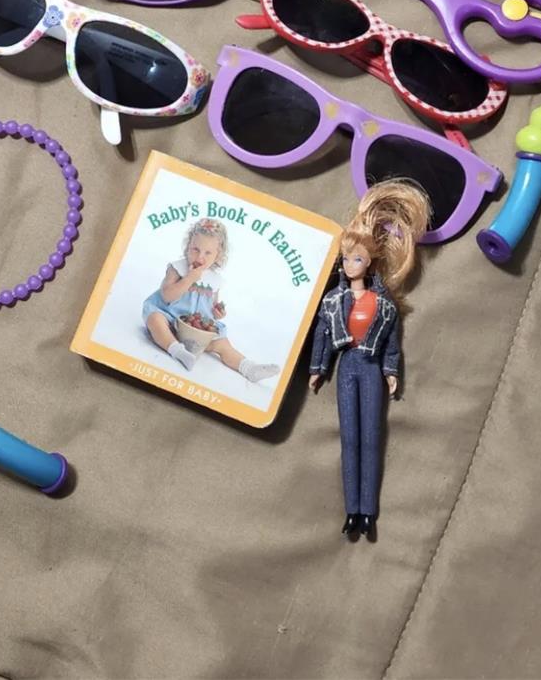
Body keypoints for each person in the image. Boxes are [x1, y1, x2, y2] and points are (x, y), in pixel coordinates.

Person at [309, 180, 430, 541]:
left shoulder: (384, 305)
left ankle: (368, 513)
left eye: (357, 259)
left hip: (371, 367)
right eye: (346, 259)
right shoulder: (333, 301)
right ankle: (352, 511)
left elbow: (391, 343)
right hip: (347, 366)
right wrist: (318, 369)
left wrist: (391, 371)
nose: (350, 265)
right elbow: (322, 336)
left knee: (371, 437)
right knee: (350, 438)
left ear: (371, 261)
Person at [142, 218, 280, 384]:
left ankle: (248, 368)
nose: (200, 257)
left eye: (208, 253)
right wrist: (189, 278)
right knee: (155, 320)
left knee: (223, 344)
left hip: (195, 333)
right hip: (170, 320)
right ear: (188, 246)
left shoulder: (214, 281)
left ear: (218, 255)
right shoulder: (177, 268)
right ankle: (177, 351)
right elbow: (167, 296)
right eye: (195, 249)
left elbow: (210, 308)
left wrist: (217, 312)